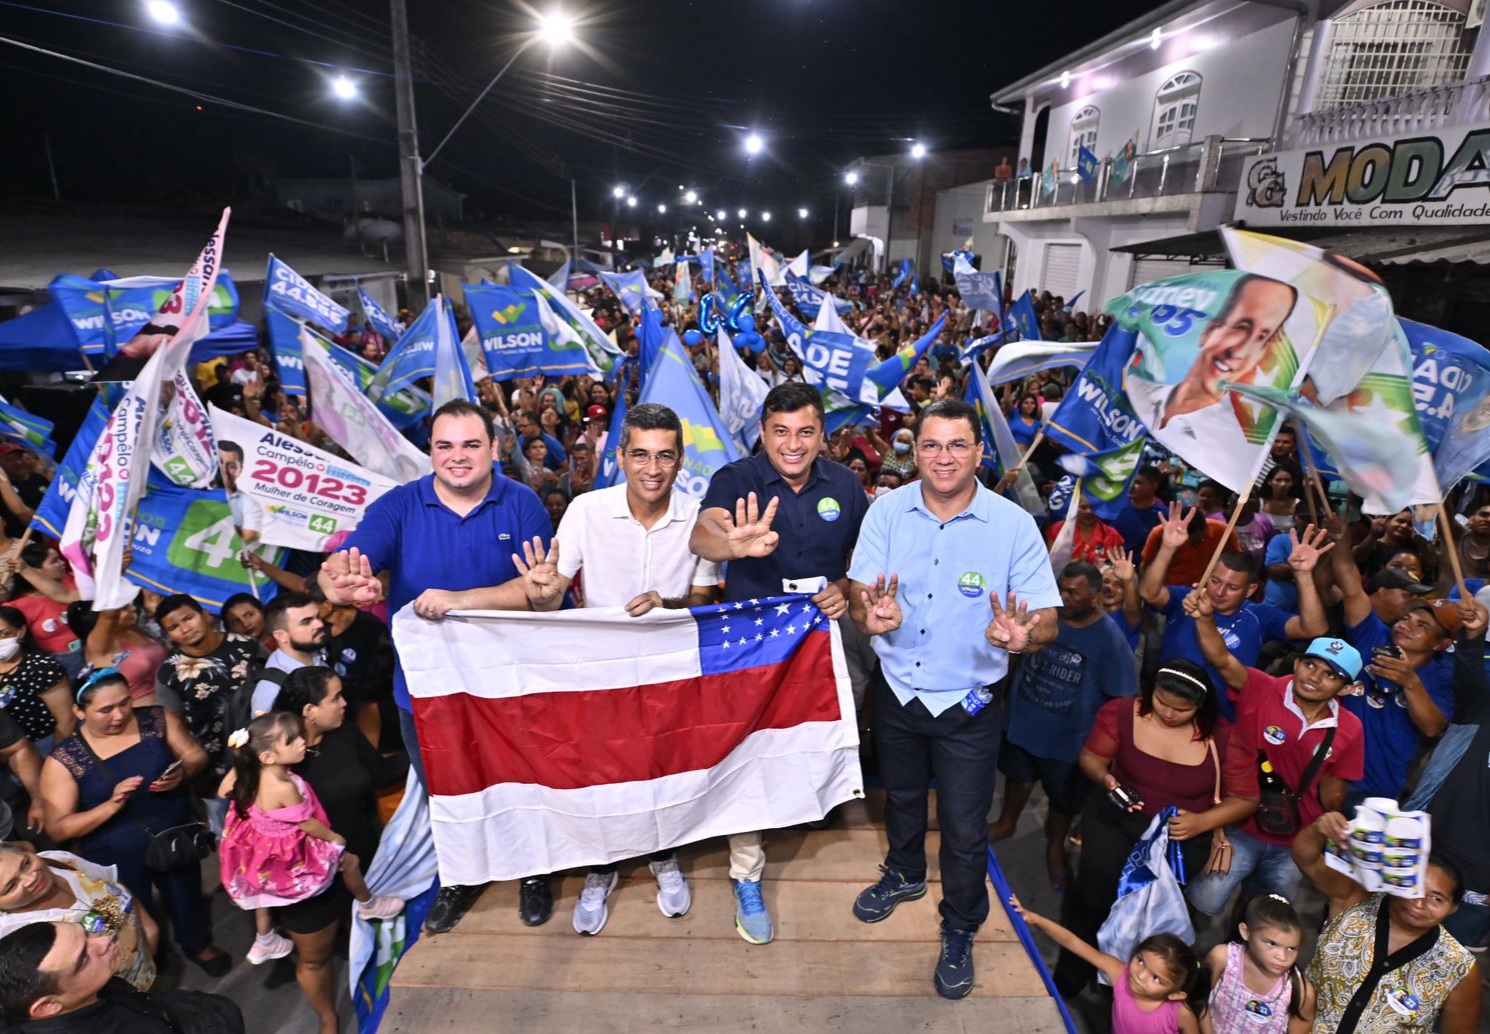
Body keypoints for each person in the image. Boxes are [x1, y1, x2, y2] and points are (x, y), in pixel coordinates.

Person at [847, 398, 1062, 999]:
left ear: (979, 452)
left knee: (966, 828)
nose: (943, 458)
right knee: (903, 798)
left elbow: (1046, 619)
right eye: (932, 445)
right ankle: (906, 873)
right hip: (898, 692)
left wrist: (1025, 636)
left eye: (957, 445)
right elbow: (863, 593)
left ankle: (962, 925)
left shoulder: (1014, 526)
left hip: (970, 704)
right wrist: (872, 616)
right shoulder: (885, 513)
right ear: (914, 451)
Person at [318, 399, 550, 935]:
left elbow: (537, 591)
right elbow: (342, 568)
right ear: (430, 452)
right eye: (445, 446)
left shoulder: (523, 504)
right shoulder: (398, 507)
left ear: (494, 448)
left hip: (508, 685)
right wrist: (341, 583)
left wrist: (458, 598)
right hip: (426, 693)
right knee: (447, 793)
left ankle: (535, 872)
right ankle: (462, 877)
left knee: (523, 782)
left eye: (471, 444)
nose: (458, 457)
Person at [515, 404, 719, 935]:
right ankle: (600, 869)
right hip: (599, 674)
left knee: (666, 770)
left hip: (670, 673)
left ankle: (665, 857)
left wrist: (665, 602)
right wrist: (542, 593)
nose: (652, 468)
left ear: (679, 461)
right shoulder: (585, 509)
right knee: (601, 777)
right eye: (641, 455)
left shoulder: (701, 515)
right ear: (622, 457)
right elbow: (551, 591)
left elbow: (701, 598)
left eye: (665, 456)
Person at [690, 383, 870, 946]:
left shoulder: (845, 484)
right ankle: (746, 873)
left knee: (823, 732)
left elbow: (861, 565)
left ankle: (804, 806)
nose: (793, 444)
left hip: (822, 636)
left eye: (806, 431)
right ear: (763, 432)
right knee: (749, 751)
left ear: (822, 435)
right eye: (781, 431)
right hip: (754, 641)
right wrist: (732, 547)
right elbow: (704, 533)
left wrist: (844, 587)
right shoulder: (735, 478)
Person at [1056, 661, 1251, 996]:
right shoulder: (1120, 713)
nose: (1170, 714)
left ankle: (1129, 988)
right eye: (1162, 702)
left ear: (1200, 706)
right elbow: (1092, 758)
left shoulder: (1223, 738)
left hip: (1178, 840)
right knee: (1092, 899)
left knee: (1148, 918)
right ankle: (1071, 976)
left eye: (1182, 709)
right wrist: (1107, 779)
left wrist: (1201, 822)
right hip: (1115, 822)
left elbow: (1245, 799)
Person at [39, 669, 229, 976]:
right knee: (133, 910)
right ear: (79, 711)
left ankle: (197, 944)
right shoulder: (64, 759)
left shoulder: (156, 720)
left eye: (125, 703)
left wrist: (184, 771)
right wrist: (111, 805)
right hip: (114, 850)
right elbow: (59, 827)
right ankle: (151, 955)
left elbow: (195, 755)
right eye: (105, 710)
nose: (119, 714)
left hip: (171, 832)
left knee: (185, 893)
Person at [1183, 608, 1366, 916]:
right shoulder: (1261, 687)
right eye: (1310, 664)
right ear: (1297, 663)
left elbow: (1334, 788)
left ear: (1346, 689)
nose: (1314, 677)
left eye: (1330, 675)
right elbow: (1222, 659)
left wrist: (1326, 827)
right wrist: (1203, 618)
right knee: (1204, 901)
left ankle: (1241, 946)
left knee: (1266, 914)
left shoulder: (1349, 729)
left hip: (1294, 839)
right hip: (1240, 826)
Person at [270, 667, 407, 1034]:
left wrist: (422, 748)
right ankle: (328, 1018)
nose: (345, 703)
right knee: (315, 958)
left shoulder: (343, 732)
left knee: (366, 933)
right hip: (308, 883)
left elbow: (379, 775)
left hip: (363, 863)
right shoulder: (273, 759)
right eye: (335, 698)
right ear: (309, 711)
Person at [989, 561, 1136, 891]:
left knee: (1063, 800)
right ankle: (1007, 822)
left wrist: (1105, 746)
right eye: (1061, 589)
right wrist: (1003, 695)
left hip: (1069, 742)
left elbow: (1122, 699)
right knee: (1017, 777)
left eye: (1074, 592)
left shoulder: (1110, 640)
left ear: (1096, 596)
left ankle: (1055, 847)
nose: (1064, 597)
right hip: (1024, 722)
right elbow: (1016, 652)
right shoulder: (1044, 617)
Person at [219, 713, 402, 966]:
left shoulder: (250, 774)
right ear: (268, 757)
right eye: (291, 741)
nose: (301, 742)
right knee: (350, 862)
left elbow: (222, 790)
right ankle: (367, 903)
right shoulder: (283, 786)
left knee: (261, 893)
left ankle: (265, 938)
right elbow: (306, 822)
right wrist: (334, 838)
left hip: (262, 850)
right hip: (290, 847)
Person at [1293, 815, 1481, 1033]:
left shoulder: (1457, 967)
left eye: (1436, 899)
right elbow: (1306, 858)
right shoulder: (1355, 901)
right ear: (1398, 882)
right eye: (1414, 889)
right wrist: (1319, 828)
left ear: (1453, 908)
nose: (1420, 903)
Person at [1141, 510, 1331, 722]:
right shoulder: (1188, 598)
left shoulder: (1259, 616)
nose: (1219, 592)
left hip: (1222, 719)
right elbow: (1149, 593)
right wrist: (1167, 548)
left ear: (1249, 590)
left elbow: (1314, 628)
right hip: (1167, 706)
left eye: (1231, 587)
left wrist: (1303, 575)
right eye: (1215, 581)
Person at [1327, 513, 1459, 803]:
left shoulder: (1439, 675)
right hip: (1326, 768)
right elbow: (1351, 587)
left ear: (1441, 644)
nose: (1406, 625)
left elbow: (1433, 727)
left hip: (1375, 789)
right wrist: (1341, 542)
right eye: (1407, 617)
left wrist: (1409, 682)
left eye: (1422, 626)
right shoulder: (1374, 635)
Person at [1127, 274, 1298, 445]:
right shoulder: (1135, 392)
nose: (1240, 352)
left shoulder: (1232, 443)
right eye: (1241, 327)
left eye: (1261, 338)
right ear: (1209, 330)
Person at [0, 921, 244, 1033]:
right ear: (48, 1006)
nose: (104, 941)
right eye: (83, 957)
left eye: (86, 935)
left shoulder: (84, 991)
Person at [152, 594, 265, 827]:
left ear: (204, 614)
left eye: (188, 618)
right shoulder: (168, 674)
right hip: (215, 771)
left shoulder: (249, 647)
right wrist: (192, 769)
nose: (185, 628)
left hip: (265, 754)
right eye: (173, 627)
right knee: (229, 835)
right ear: (168, 635)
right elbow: (175, 727)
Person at [1016, 899, 1206, 1034]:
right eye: (1140, 960)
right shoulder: (1119, 972)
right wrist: (1036, 919)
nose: (1140, 975)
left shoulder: (1180, 1013)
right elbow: (1074, 943)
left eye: (1156, 978)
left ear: (1176, 994)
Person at [0, 842, 158, 990]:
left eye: (25, 863)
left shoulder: (59, 861)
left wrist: (148, 928)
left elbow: (111, 881)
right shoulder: (15, 935)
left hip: (148, 966)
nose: (31, 878)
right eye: (11, 886)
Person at [1201, 893, 1315, 1033]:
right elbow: (1199, 1003)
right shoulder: (1223, 958)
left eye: (1292, 948)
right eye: (1272, 944)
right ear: (1246, 932)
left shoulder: (1301, 992)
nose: (1282, 957)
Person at [65, 602, 164, 707]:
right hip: (142, 715)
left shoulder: (132, 629)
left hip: (172, 704)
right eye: (123, 609)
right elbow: (109, 616)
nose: (133, 608)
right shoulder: (99, 648)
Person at [0, 607, 72, 751]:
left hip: (44, 745)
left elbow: (67, 719)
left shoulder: (41, 667)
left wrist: (56, 757)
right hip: (7, 751)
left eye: (4, 634)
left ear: (21, 632)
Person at [248, 592, 326, 716]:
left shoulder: (323, 651)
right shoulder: (272, 689)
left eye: (318, 617)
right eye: (306, 622)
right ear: (281, 635)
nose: (319, 624)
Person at [1140, 504, 1241, 589]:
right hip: (1168, 591)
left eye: (1197, 540)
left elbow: (1236, 563)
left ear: (1205, 528)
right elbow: (1145, 566)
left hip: (1205, 592)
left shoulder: (1224, 532)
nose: (1190, 544)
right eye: (1185, 542)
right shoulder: (1158, 534)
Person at [1045, 495, 1124, 565]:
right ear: (1075, 507)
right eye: (1083, 507)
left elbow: (1117, 566)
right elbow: (1052, 564)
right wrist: (1076, 563)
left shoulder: (1112, 535)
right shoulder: (1058, 529)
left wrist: (1104, 566)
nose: (1088, 512)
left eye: (1093, 508)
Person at [1113, 466, 1170, 557]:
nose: (1131, 486)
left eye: (1138, 482)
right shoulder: (1115, 507)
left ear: (1153, 486)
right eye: (1130, 480)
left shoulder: (1163, 515)